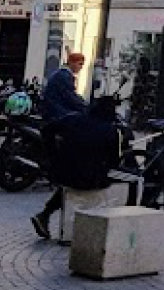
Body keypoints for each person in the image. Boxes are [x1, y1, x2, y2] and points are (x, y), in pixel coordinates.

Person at [30, 97, 126, 241]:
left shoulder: (74, 119)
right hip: (91, 179)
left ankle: (45, 214)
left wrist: (53, 154)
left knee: (72, 180)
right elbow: (115, 161)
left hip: (62, 172)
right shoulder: (112, 131)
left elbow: (47, 129)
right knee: (111, 178)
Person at [41, 52, 86, 122]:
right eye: (80, 64)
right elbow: (70, 97)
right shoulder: (64, 76)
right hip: (57, 112)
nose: (81, 67)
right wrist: (85, 107)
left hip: (55, 109)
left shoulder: (61, 74)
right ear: (71, 63)